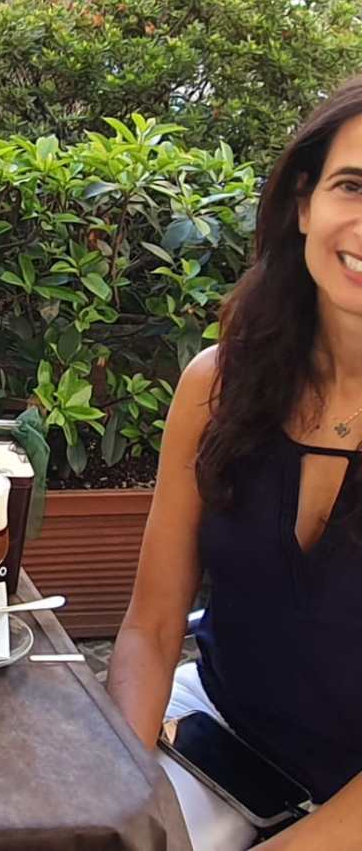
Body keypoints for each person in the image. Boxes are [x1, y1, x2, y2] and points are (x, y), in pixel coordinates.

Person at [107, 77, 362, 850]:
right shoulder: (220, 385)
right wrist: (117, 801)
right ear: (303, 204)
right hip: (221, 744)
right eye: (353, 185)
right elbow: (151, 629)